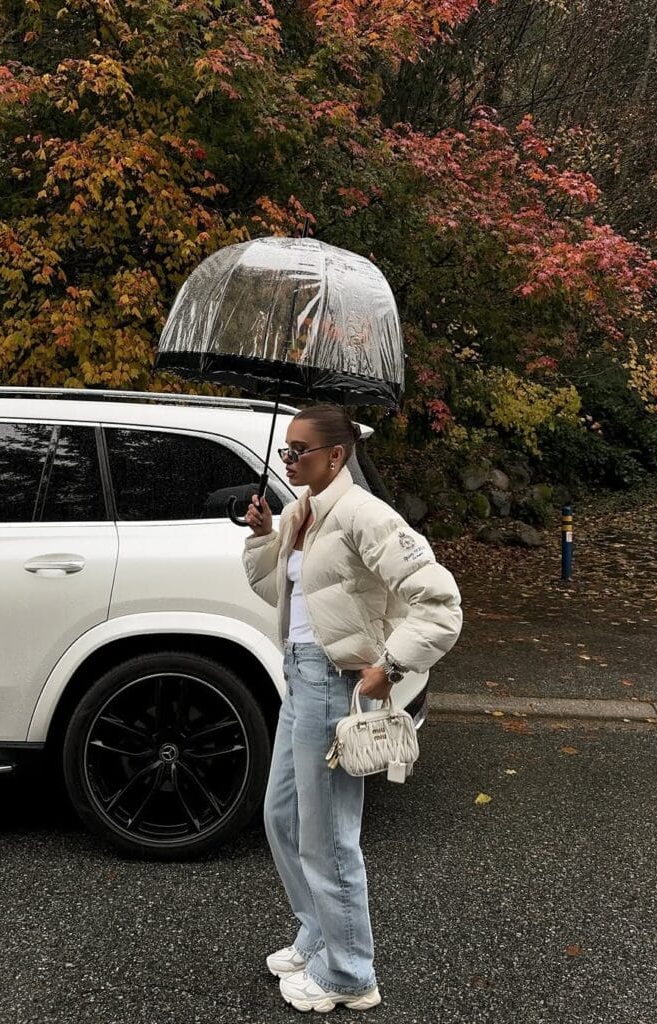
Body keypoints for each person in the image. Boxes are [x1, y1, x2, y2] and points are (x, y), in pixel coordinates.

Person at [242, 404, 462, 1013]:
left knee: (329, 834)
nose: (288, 460)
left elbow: (441, 604)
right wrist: (264, 536)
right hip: (298, 675)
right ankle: (319, 933)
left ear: (337, 455)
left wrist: (388, 666)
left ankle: (348, 973)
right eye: (285, 450)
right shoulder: (301, 512)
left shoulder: (365, 514)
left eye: (300, 451)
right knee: (282, 817)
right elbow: (276, 591)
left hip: (339, 683)